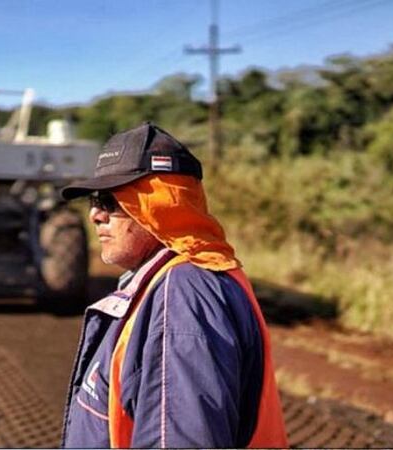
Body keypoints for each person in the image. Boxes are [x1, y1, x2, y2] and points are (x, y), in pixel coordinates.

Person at [59, 122, 288, 448]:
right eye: (93, 200)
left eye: (110, 200)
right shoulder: (179, 279)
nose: (95, 214)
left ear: (159, 204)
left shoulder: (182, 294)